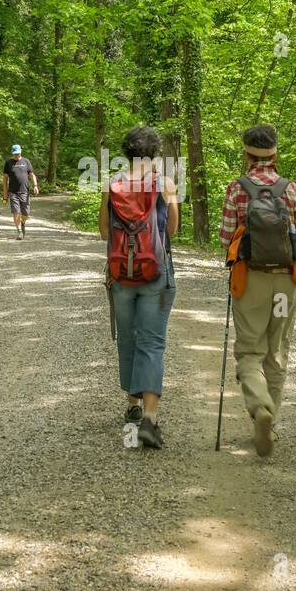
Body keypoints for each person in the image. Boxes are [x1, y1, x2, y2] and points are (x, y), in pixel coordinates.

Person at [218, 125, 296, 458]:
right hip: (285, 285)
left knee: (249, 351)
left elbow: (226, 238)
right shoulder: (291, 190)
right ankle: (270, 421)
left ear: (247, 154)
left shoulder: (236, 189)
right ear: (275, 155)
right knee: (276, 350)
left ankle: (259, 406)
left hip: (252, 283)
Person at [100, 126, 178, 449]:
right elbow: (173, 228)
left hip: (121, 274)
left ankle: (131, 405)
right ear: (155, 153)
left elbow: (105, 232)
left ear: (127, 153)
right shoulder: (166, 184)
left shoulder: (112, 185)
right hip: (156, 274)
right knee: (152, 342)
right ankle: (150, 419)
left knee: (129, 338)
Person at [2, 144, 39, 240]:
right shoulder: (8, 163)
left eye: (18, 153)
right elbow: (5, 179)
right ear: (12, 153)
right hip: (13, 192)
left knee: (26, 213)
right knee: (16, 212)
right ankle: (19, 232)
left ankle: (22, 223)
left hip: (25, 191)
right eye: (15, 154)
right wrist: (5, 195)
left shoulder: (26, 161)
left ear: (20, 152)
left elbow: (32, 175)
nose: (16, 155)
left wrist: (35, 186)